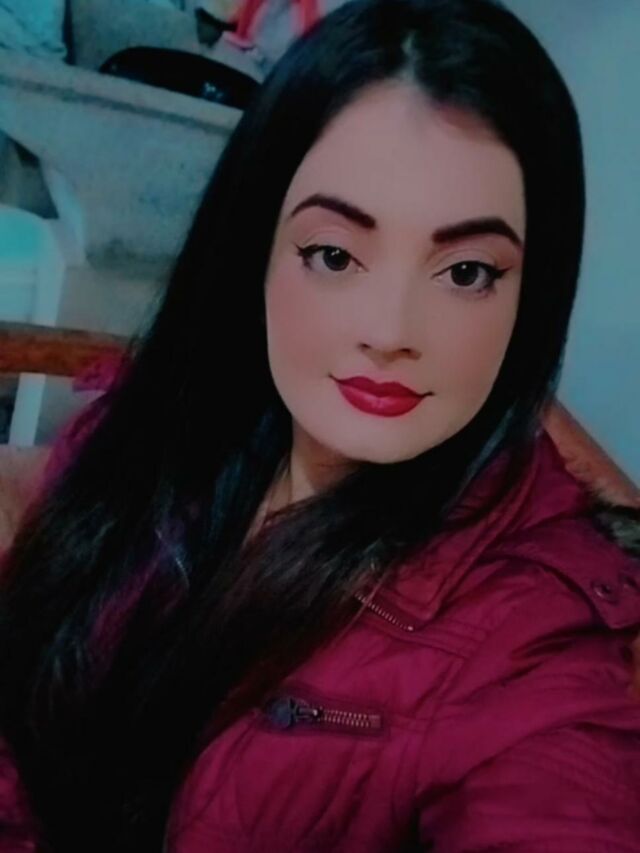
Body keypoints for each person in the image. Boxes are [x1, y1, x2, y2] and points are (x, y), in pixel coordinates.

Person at [1, 0, 639, 850]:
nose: (390, 329)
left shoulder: (528, 648)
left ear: (532, 297)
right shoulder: (182, 426)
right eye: (334, 255)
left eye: (467, 272)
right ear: (258, 248)